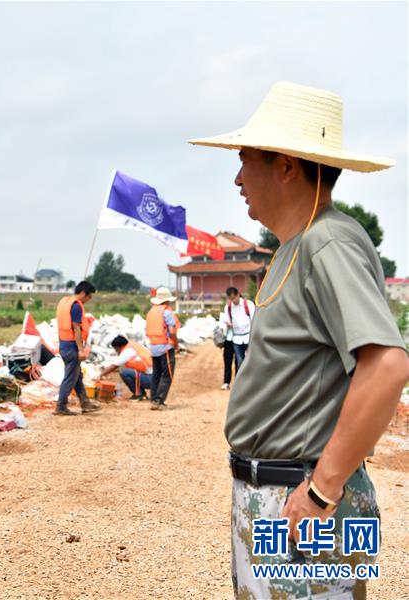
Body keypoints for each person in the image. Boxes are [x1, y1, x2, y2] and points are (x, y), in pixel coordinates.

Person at [190, 81, 409, 598]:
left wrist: (322, 490)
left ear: (286, 166)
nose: (238, 178)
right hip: (278, 493)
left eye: (245, 160)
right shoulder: (296, 246)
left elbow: (387, 365)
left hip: (302, 498)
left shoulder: (327, 242)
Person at [54, 281, 102, 415]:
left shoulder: (64, 302)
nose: (89, 299)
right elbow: (76, 328)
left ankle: (85, 402)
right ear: (83, 293)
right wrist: (81, 349)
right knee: (70, 377)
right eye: (89, 296)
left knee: (77, 376)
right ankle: (61, 406)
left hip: (64, 343)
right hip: (72, 346)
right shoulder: (76, 306)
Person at [144, 286, 179, 410]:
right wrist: (176, 343)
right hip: (165, 347)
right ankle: (159, 400)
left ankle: (154, 399)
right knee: (167, 374)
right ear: (167, 300)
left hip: (154, 347)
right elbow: (172, 331)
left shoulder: (151, 312)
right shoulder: (167, 312)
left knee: (156, 374)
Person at [100, 335, 152, 400]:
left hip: (151, 379)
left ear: (121, 346)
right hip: (153, 377)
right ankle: (141, 394)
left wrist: (100, 376)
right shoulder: (132, 346)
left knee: (125, 372)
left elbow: (113, 366)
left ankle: (139, 394)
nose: (116, 351)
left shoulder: (128, 351)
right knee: (128, 371)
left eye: (116, 348)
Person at [220, 286, 254, 372]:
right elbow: (226, 320)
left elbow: (254, 319)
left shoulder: (248, 304)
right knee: (240, 362)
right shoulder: (228, 307)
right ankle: (241, 380)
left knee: (252, 361)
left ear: (238, 294)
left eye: (233, 298)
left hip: (249, 337)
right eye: (230, 299)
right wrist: (228, 324)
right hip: (236, 338)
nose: (233, 301)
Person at [219, 308, 236, 391]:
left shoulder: (243, 309)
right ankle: (226, 382)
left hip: (239, 339)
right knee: (227, 362)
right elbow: (222, 324)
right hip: (228, 340)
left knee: (239, 362)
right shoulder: (227, 309)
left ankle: (238, 383)